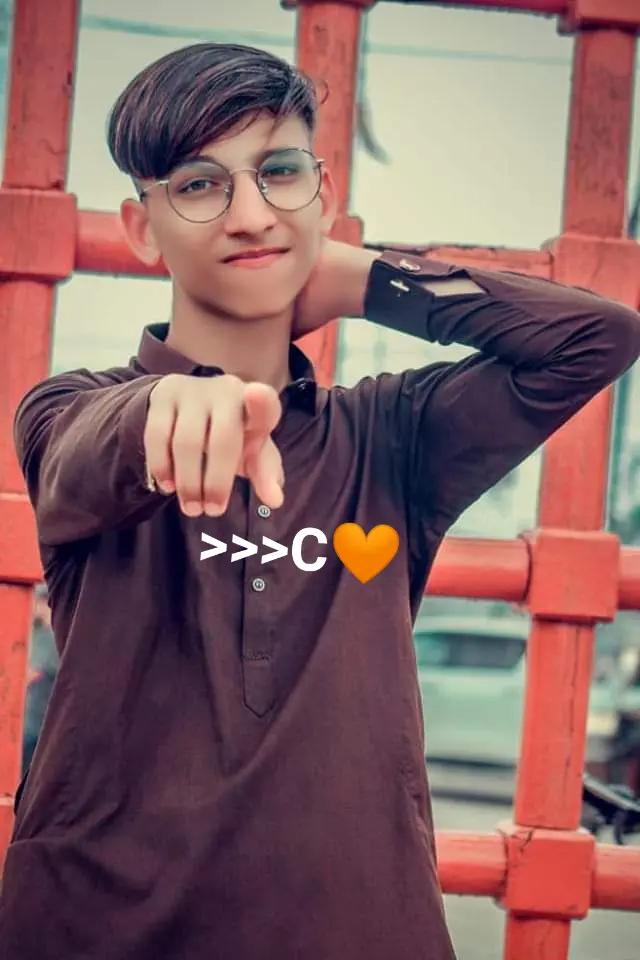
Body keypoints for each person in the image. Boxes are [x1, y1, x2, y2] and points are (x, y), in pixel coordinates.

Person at [1, 40, 639, 960]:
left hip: (360, 928)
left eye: (279, 172)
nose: (251, 214)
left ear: (323, 195)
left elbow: (597, 336)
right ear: (143, 229)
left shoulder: (393, 437)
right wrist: (165, 407)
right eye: (199, 184)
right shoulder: (68, 408)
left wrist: (371, 282)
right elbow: (80, 455)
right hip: (102, 925)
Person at [21, 583, 59, 777]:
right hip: (28, 720)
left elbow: (32, 673)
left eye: (41, 601)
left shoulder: (53, 637)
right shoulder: (33, 633)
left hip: (40, 723)